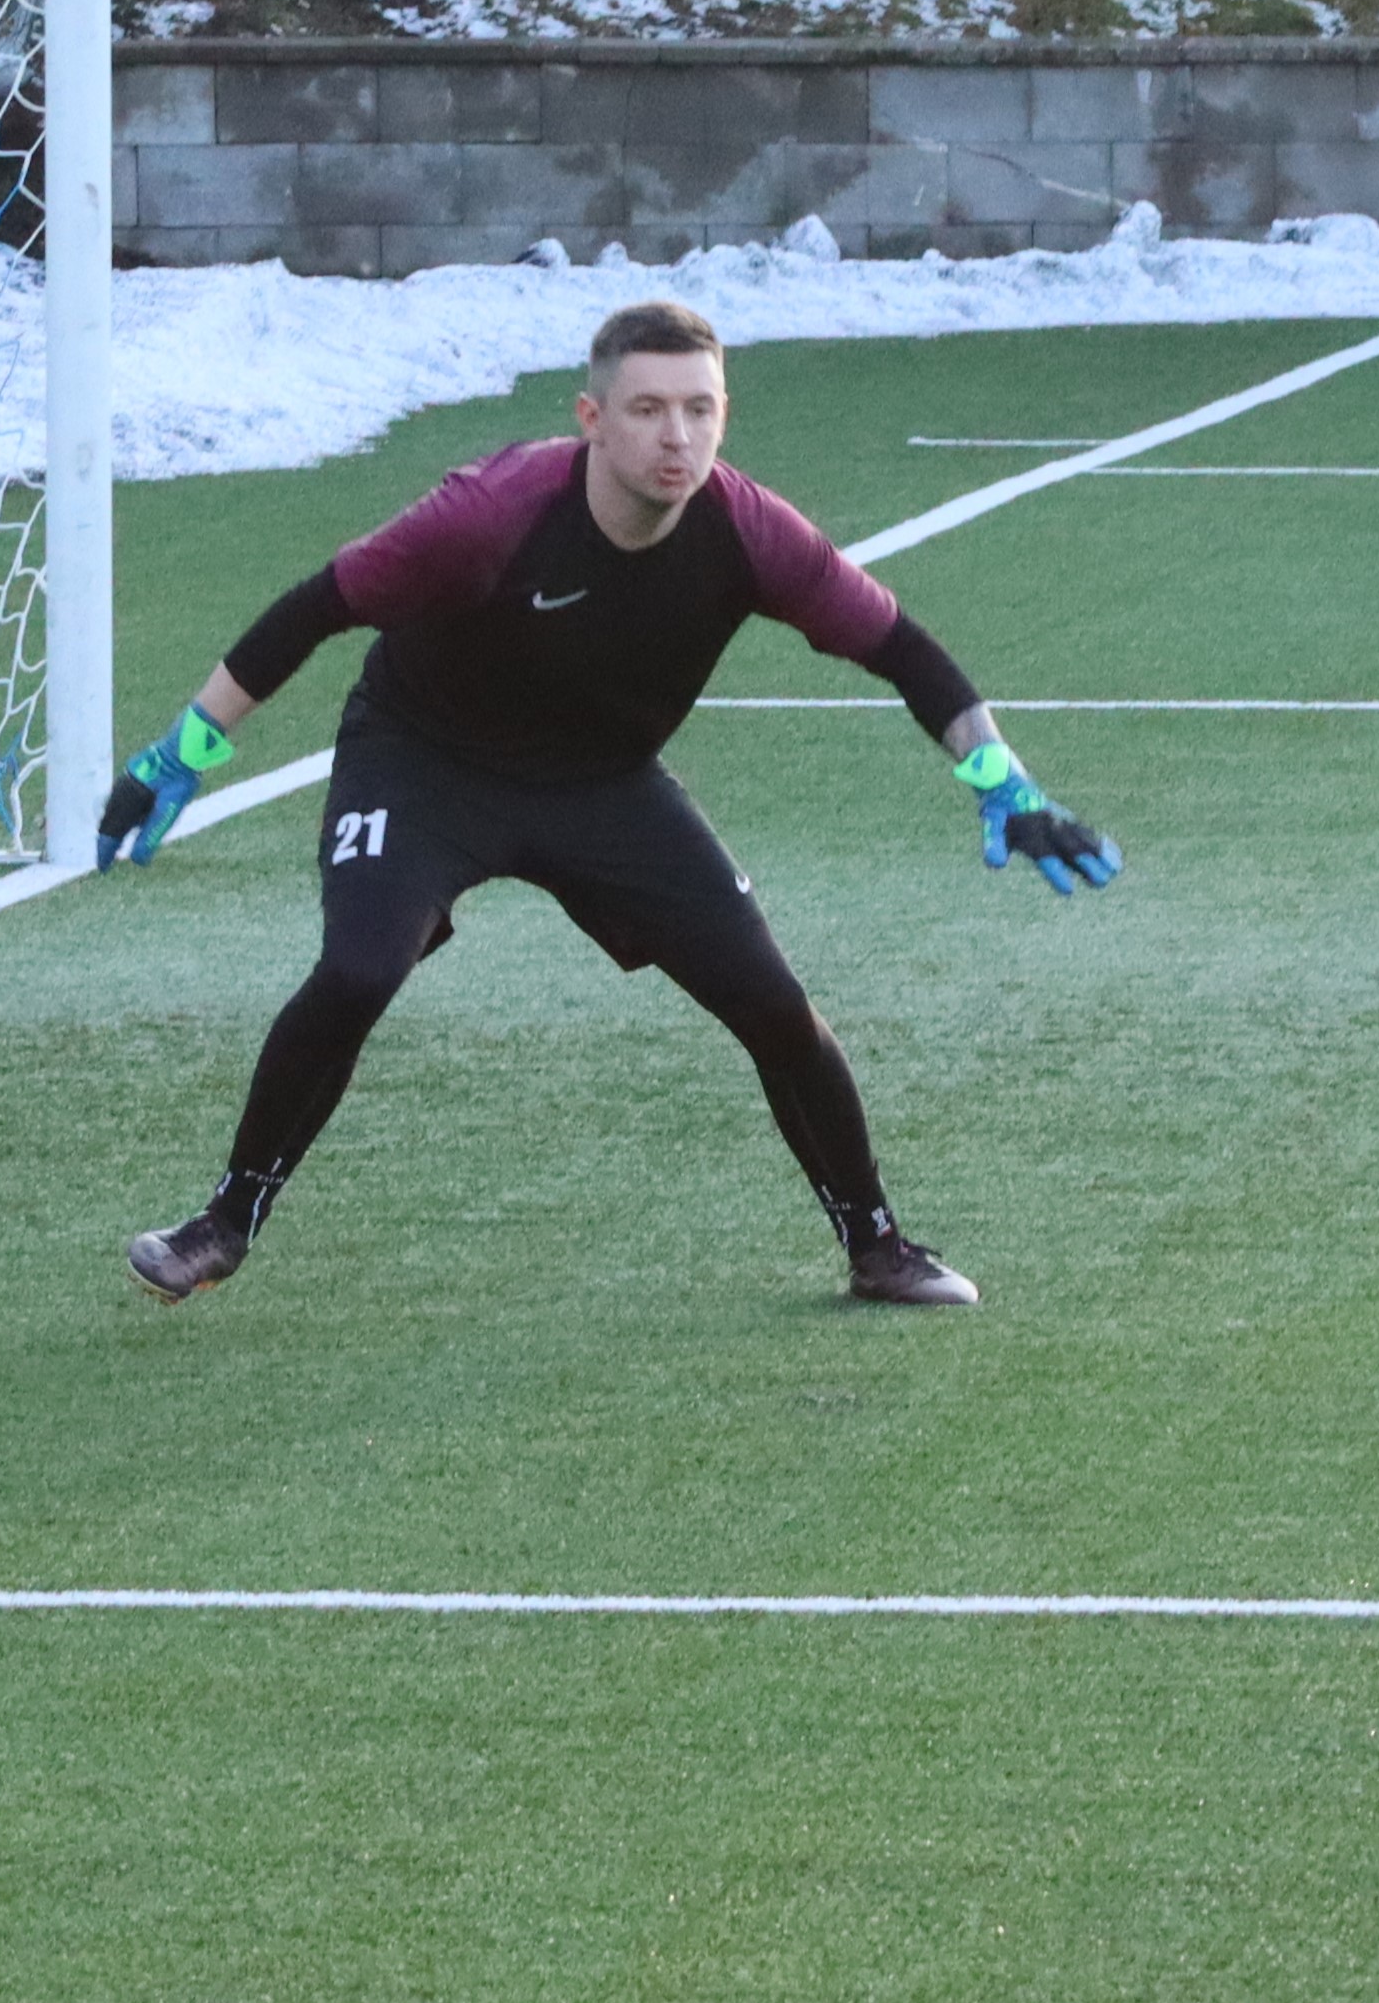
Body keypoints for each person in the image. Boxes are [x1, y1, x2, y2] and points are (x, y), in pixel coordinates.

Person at [93, 299, 1119, 1309]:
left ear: (724, 416)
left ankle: (877, 1246)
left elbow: (902, 649)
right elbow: (316, 608)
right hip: (424, 763)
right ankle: (224, 1221)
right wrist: (181, 753)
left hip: (603, 785)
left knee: (773, 1004)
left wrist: (1003, 781)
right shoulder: (488, 514)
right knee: (360, 969)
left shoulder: (750, 532)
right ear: (592, 419)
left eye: (699, 409)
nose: (678, 436)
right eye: (648, 409)